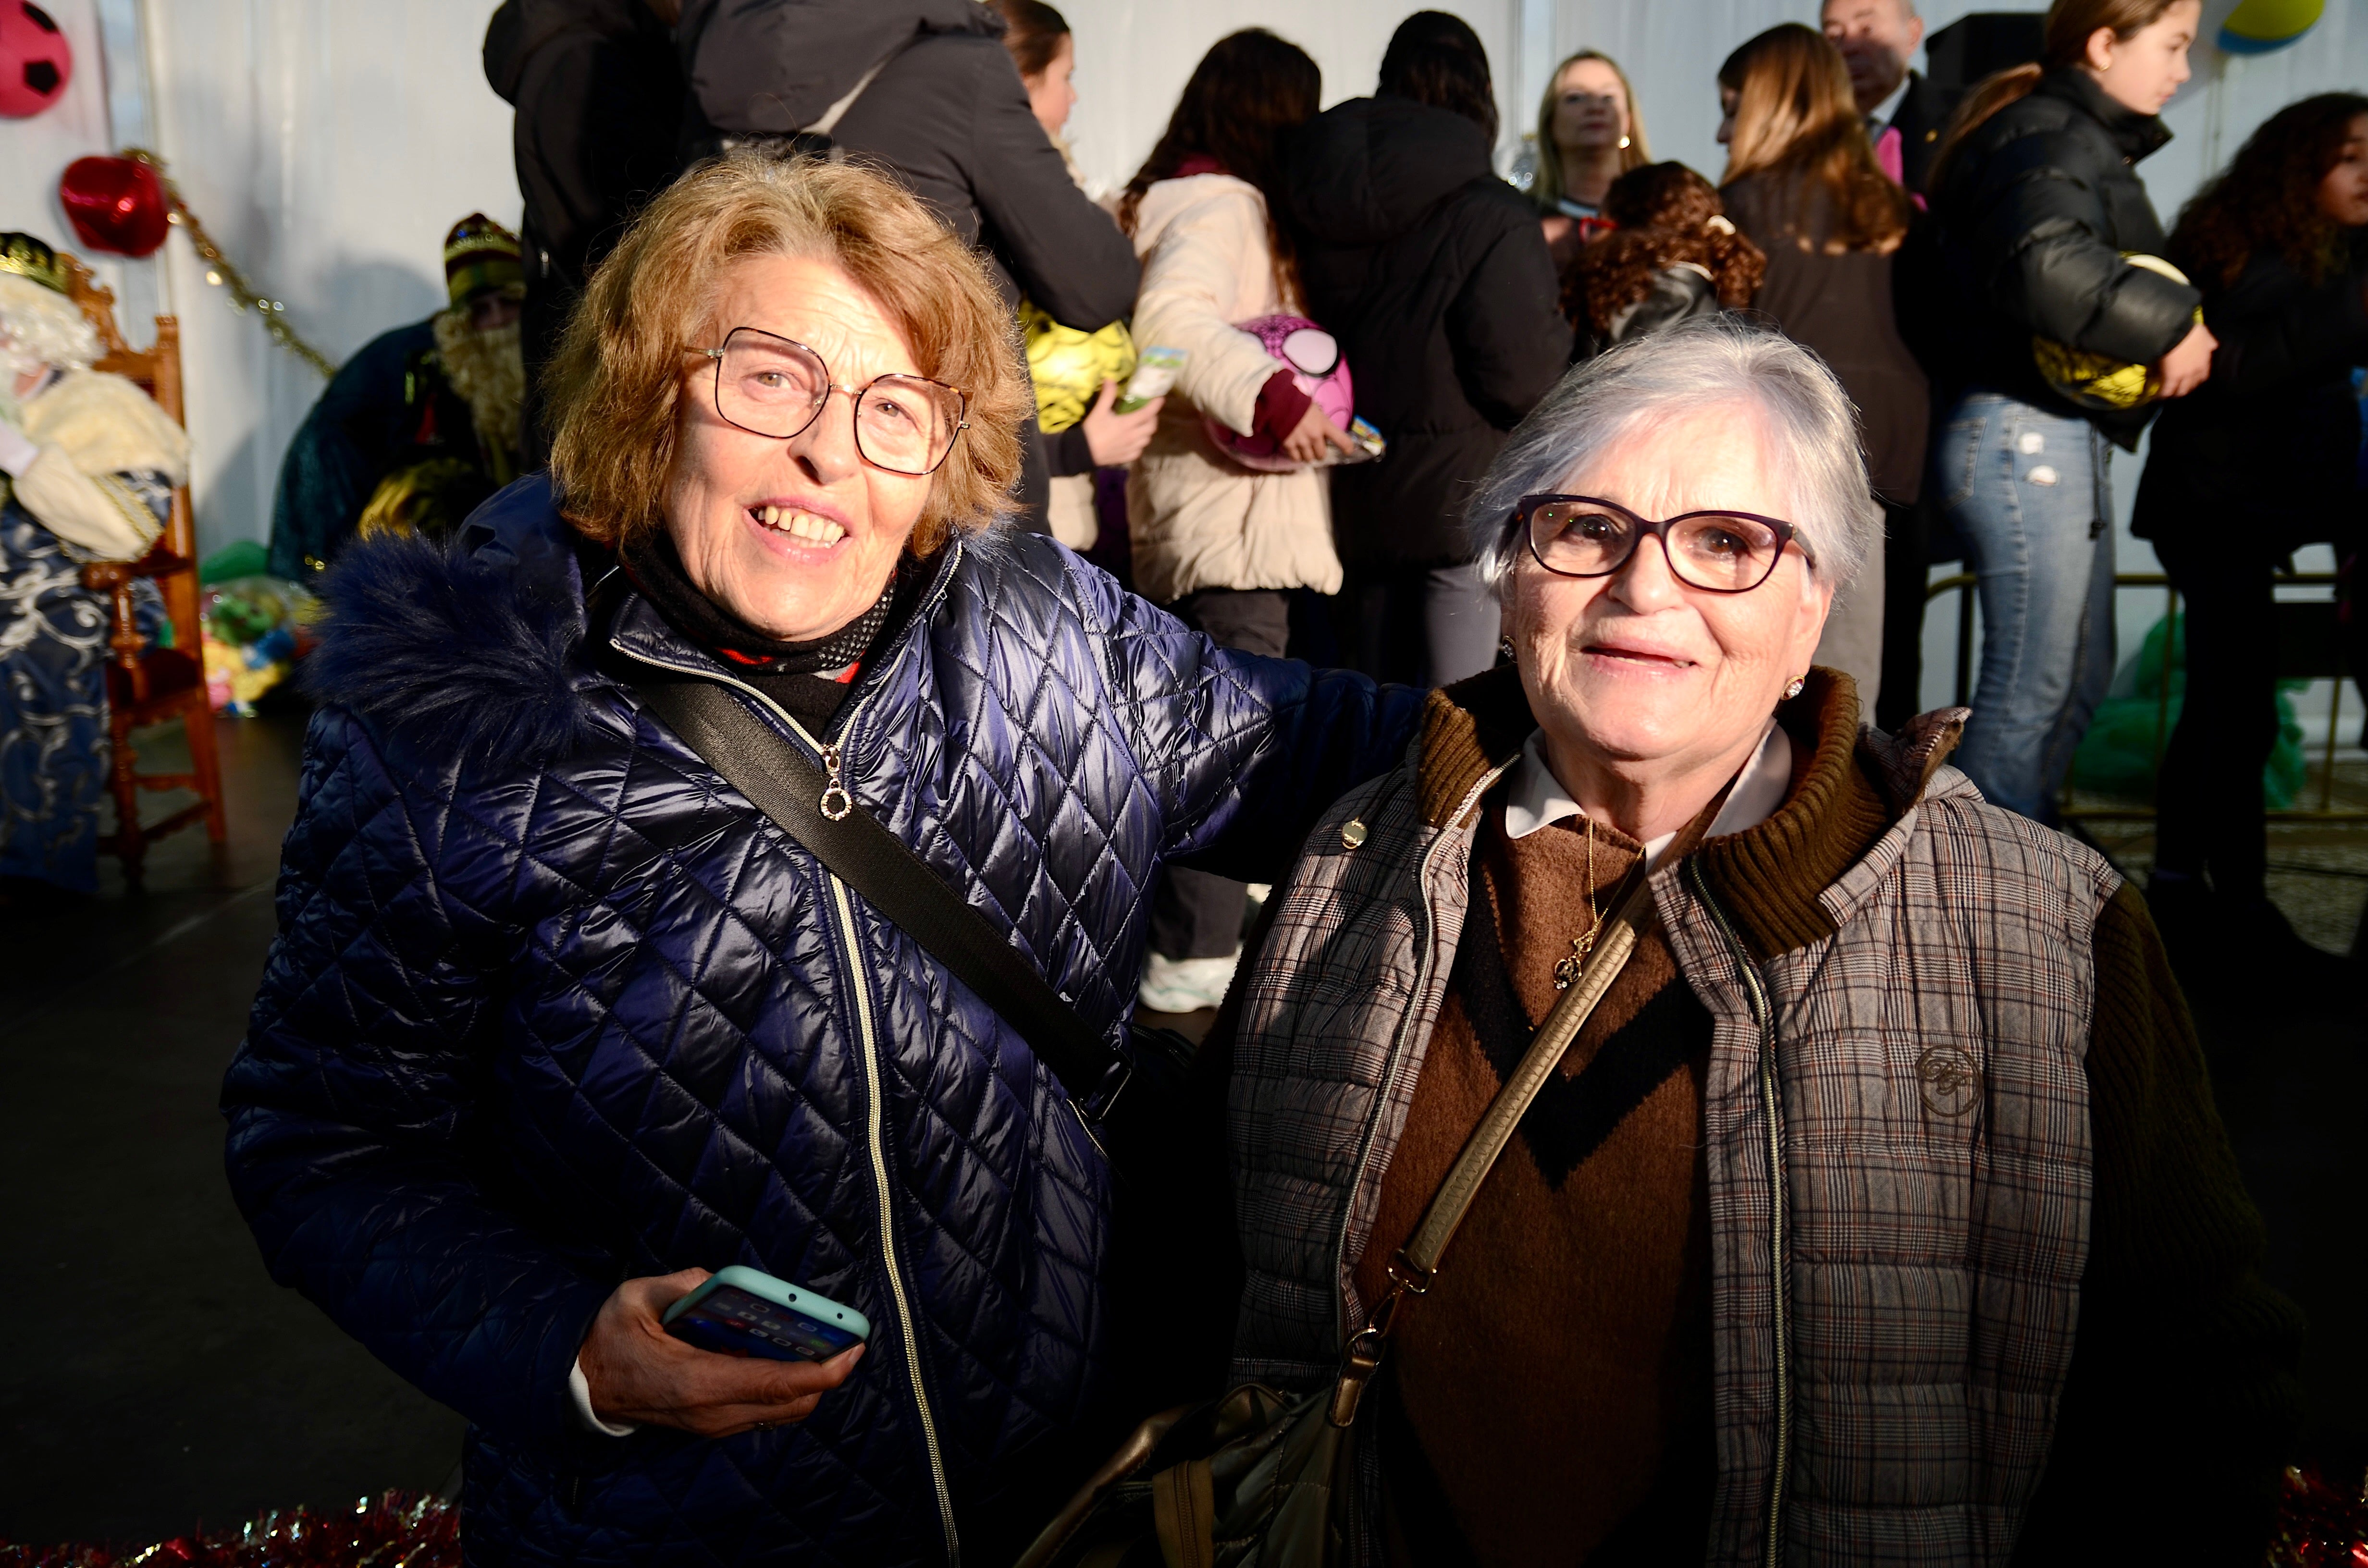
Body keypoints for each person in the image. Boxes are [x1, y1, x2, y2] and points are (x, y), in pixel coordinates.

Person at [220, 153, 1418, 1568]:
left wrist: (1619, 709)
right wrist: (572, 1354)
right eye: (770, 379)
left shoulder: (1039, 623)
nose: (829, 455)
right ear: (654, 388)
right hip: (687, 1523)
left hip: (1071, 1491)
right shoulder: (460, 725)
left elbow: (1321, 743)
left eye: (891, 408)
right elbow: (325, 1141)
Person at [1215, 314, 2302, 1564]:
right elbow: (1230, 1284)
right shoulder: (1354, 866)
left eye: (1727, 542)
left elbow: (2198, 1396)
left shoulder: (2044, 925)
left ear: (1812, 609)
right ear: (1509, 575)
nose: (1643, 588)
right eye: (1585, 529)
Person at [673, 0, 1140, 534]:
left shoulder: (707, 62)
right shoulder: (959, 70)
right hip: (929, 462)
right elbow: (1096, 284)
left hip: (743, 421)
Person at [1925, 0, 2215, 821]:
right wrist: (2171, 325)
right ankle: (1976, 907)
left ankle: (2031, 882)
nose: (2182, 69)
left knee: (2074, 683)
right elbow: (2043, 262)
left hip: (2046, 436)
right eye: (2172, 45)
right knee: (2028, 695)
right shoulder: (2048, 132)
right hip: (2023, 435)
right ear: (2101, 43)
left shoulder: (2061, 132)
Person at [1116, 29, 1348, 1016]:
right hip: (1232, 529)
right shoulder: (1224, 204)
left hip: (1189, 514)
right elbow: (1165, 328)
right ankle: (1188, 986)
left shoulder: (1165, 196)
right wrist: (1274, 399)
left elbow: (1149, 372)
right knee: (1226, 750)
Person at [2134, 92, 2368, 995]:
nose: (2365, 175)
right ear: (2295, 162)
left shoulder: (2328, 251)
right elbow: (2224, 367)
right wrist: (2351, 309)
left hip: (2257, 510)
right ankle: (2223, 908)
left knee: (2228, 710)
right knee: (2236, 713)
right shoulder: (2247, 247)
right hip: (2212, 508)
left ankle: (2191, 892)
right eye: (2348, 156)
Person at [1288, 11, 1571, 689]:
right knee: (1456, 730)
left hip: (1349, 496)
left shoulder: (1311, 198)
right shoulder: (1494, 213)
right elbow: (1522, 378)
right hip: (1463, 506)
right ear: (1481, 96)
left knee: (1370, 729)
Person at [1718, 23, 1927, 711]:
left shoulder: (1747, 207)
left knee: (1755, 678)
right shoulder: (1893, 208)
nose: (1723, 135)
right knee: (1848, 692)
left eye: (1731, 109)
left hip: (1778, 457)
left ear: (1771, 104)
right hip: (1876, 465)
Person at [0, 233, 185, 900]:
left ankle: (39, 862)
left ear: (35, 333)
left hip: (79, 592)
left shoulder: (104, 408)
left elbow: (128, 532)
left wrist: (22, 456)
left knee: (30, 650)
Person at [267, 215, 528, 579]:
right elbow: (336, 453)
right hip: (364, 518)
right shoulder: (415, 363)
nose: (498, 320)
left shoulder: (543, 350)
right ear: (460, 320)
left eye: (509, 302)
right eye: (481, 310)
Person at [482, 0, 685, 470]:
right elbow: (635, 233)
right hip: (605, 393)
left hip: (586, 378)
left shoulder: (582, 50)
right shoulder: (585, 63)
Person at [995, 0, 1163, 550]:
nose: (1073, 97)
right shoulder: (1024, 190)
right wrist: (1075, 447)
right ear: (1023, 81)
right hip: (1033, 492)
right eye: (1064, 78)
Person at [1564, 162, 1765, 354]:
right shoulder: (1732, 316)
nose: (1590, 240)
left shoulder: (1638, 307)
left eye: (1599, 225)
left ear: (1629, 238)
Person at [1532, 49, 1652, 274]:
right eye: (1575, 97)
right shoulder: (1525, 220)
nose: (1595, 108)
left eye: (1609, 97)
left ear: (1628, 121)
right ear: (1550, 122)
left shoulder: (1660, 213)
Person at [1821, 0, 1953, 195]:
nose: (1849, 47)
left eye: (1868, 29)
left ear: (1913, 34)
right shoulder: (1811, 131)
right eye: (1834, 36)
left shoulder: (1961, 121)